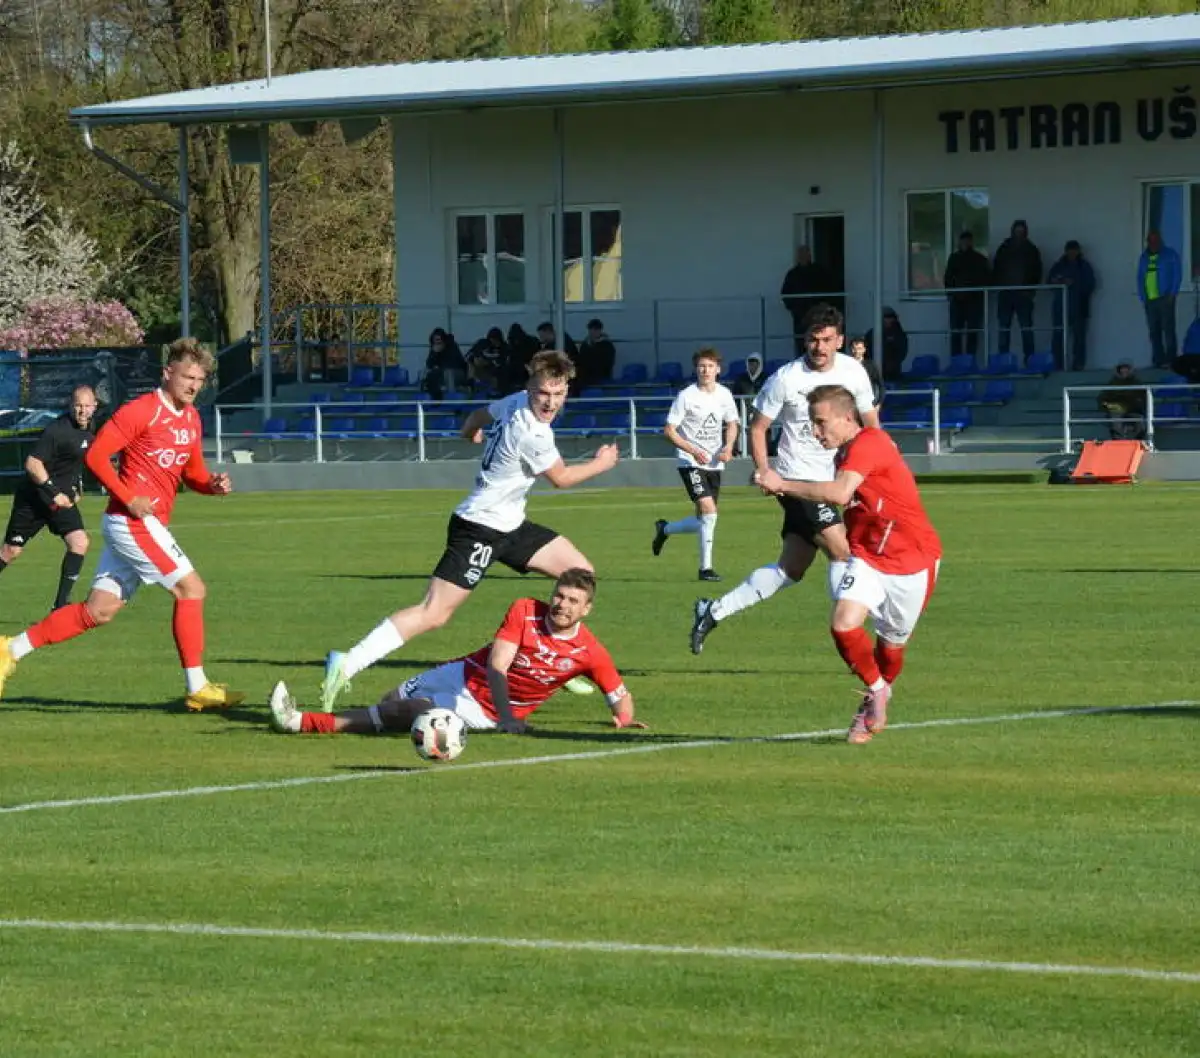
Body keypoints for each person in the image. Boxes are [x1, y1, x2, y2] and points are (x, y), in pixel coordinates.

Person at [320, 351, 619, 711]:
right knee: (434, 613)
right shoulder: (534, 432)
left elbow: (478, 416)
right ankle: (347, 663)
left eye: (558, 394)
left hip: (509, 524)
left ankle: (543, 654)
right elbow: (562, 478)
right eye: (543, 393)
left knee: (580, 576)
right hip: (480, 528)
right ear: (530, 387)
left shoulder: (515, 401)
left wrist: (470, 433)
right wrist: (602, 464)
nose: (550, 402)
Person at [0, 339, 243, 710]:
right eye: (187, 377)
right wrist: (129, 497)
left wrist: (211, 485)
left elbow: (192, 474)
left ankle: (9, 650)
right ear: (168, 373)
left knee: (98, 611)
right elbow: (97, 455)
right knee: (192, 590)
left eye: (200, 379)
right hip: (133, 521)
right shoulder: (141, 411)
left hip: (142, 523)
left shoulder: (191, 417)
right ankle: (198, 686)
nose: (194, 386)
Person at [755, 384, 941, 744]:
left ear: (846, 417)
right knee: (843, 625)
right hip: (870, 557)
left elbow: (840, 493)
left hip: (912, 560)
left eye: (821, 422)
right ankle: (877, 693)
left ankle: (875, 695)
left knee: (890, 648)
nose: (815, 431)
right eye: (812, 423)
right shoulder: (846, 452)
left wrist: (783, 483)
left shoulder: (869, 443)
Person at [690, 303, 879, 655]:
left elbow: (871, 424)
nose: (818, 347)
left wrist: (875, 467)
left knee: (791, 567)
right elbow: (759, 427)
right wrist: (765, 470)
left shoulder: (854, 372)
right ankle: (850, 637)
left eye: (825, 340)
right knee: (842, 550)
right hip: (796, 480)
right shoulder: (787, 378)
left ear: (839, 340)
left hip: (835, 478)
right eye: (812, 339)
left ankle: (712, 611)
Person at [272, 569, 644, 736]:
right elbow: (498, 665)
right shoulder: (525, 609)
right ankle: (386, 723)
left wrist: (624, 720)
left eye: (572, 601)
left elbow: (618, 695)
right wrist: (509, 717)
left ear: (586, 609)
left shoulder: (590, 651)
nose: (561, 604)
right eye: (559, 595)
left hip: (481, 709)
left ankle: (300, 722)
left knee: (408, 712)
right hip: (462, 674)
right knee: (390, 705)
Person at [0, 386, 98, 611]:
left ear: (94, 407)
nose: (82, 411)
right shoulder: (57, 430)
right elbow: (32, 464)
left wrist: (77, 485)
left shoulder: (92, 427)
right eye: (77, 406)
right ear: (70, 406)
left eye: (86, 406)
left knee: (79, 542)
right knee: (11, 551)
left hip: (60, 501)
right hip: (34, 498)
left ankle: (60, 607)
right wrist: (55, 492)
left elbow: (78, 460)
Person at [651, 348, 740, 582]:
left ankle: (665, 529)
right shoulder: (686, 396)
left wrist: (729, 447)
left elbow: (732, 424)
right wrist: (692, 450)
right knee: (710, 511)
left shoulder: (724, 395)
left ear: (718, 369)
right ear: (695, 369)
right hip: (690, 461)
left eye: (710, 366)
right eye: (701, 366)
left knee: (704, 520)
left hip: (714, 463)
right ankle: (705, 569)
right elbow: (669, 430)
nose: (706, 370)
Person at [992, 220, 1043, 363]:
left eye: (1022, 231)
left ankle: (1029, 360)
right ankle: (1003, 361)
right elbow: (997, 269)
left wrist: (1031, 290)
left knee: (1026, 328)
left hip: (1024, 295)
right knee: (1004, 328)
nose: (1019, 234)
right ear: (1012, 231)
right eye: (1017, 231)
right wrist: (999, 287)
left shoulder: (1032, 250)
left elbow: (1037, 271)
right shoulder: (1004, 248)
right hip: (1006, 295)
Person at [1047, 240, 1096, 371]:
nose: (1072, 253)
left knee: (1079, 338)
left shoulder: (1084, 266)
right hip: (1060, 308)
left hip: (1079, 307)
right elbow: (1049, 282)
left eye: (1075, 250)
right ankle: (1058, 365)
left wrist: (1074, 283)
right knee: (1058, 337)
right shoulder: (1058, 266)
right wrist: (1058, 282)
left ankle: (1078, 365)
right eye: (1070, 250)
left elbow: (1090, 285)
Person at [943, 230, 991, 361]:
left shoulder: (979, 259)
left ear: (971, 242)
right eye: (963, 240)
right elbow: (947, 279)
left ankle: (970, 360)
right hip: (957, 301)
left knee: (972, 333)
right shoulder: (954, 258)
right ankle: (956, 361)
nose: (965, 243)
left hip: (974, 301)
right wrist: (951, 294)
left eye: (967, 240)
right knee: (956, 332)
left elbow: (986, 279)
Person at [1137, 230, 1182, 367]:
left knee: (1168, 329)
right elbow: (1140, 277)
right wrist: (1143, 296)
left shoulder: (1170, 254)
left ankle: (1171, 360)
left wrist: (1173, 293)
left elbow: (1177, 274)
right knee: (1154, 330)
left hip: (1165, 298)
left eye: (1156, 240)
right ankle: (1158, 360)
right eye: (1151, 241)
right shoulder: (1144, 257)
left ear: (1160, 241)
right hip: (1150, 300)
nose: (1153, 243)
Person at [780, 246, 836, 350]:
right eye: (801, 255)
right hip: (800, 316)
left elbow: (829, 289)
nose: (803, 257)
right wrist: (794, 308)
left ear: (810, 255)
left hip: (818, 315)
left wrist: (824, 308)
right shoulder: (793, 274)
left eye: (805, 254)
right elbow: (785, 293)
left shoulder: (819, 272)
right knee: (802, 342)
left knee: (819, 339)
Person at [1097, 361, 1147, 440]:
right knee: (1115, 421)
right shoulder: (1113, 383)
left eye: (1126, 369)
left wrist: (1139, 404)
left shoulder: (1137, 382)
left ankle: (1138, 442)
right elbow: (1102, 397)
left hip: (1133, 409)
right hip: (1117, 409)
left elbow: (1144, 396)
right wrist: (1106, 405)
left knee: (1140, 422)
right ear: (1118, 370)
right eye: (1122, 369)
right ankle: (1118, 443)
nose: (1124, 371)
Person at [865, 307, 909, 383]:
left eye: (892, 317)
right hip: (875, 372)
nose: (890, 320)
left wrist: (893, 362)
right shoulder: (872, 333)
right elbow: (866, 351)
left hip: (893, 373)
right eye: (887, 317)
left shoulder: (899, 334)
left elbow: (902, 351)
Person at [423, 328, 467, 401]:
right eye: (435, 341)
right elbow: (429, 364)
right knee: (427, 372)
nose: (437, 343)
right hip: (441, 373)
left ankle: (451, 399)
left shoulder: (452, 346)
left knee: (448, 373)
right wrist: (434, 353)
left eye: (439, 340)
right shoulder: (434, 348)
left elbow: (455, 364)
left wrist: (439, 367)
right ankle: (431, 398)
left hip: (457, 373)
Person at [575, 318, 616, 391]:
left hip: (601, 377)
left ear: (600, 330)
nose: (592, 332)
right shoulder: (585, 344)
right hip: (585, 377)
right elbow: (580, 360)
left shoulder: (607, 345)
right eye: (591, 330)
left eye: (595, 330)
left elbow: (608, 363)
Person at [467, 327, 510, 395]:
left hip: (496, 372)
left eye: (495, 340)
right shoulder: (483, 344)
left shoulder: (504, 347)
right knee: (473, 363)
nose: (494, 342)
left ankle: (495, 392)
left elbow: (503, 362)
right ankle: (471, 385)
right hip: (481, 370)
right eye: (492, 340)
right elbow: (470, 356)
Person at [847, 335, 883, 407]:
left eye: (859, 348)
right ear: (850, 349)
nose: (856, 351)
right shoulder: (845, 365)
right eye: (854, 348)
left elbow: (881, 385)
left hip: (868, 404)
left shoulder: (871, 365)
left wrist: (878, 404)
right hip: (850, 405)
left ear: (864, 350)